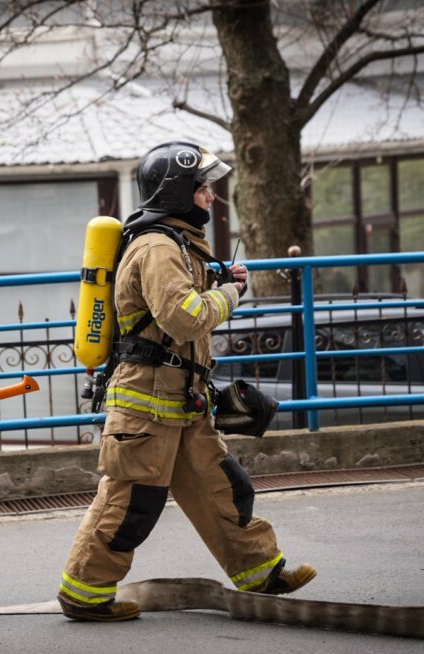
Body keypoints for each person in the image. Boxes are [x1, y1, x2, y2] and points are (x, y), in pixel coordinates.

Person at [57, 141, 317, 621]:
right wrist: (229, 296)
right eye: (203, 188)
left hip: (182, 401)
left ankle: (259, 572)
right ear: (178, 192)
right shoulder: (157, 247)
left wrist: (221, 282)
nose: (211, 197)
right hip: (147, 403)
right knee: (129, 501)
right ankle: (84, 594)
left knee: (224, 487)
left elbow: (184, 307)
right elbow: (183, 318)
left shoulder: (177, 243)